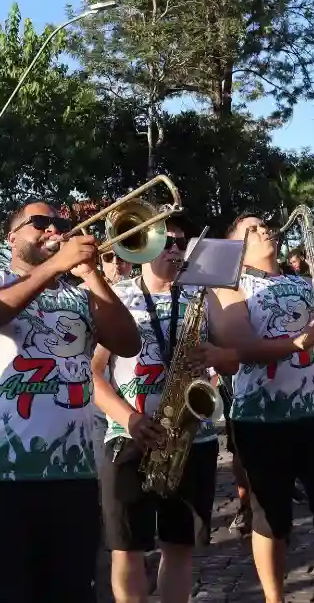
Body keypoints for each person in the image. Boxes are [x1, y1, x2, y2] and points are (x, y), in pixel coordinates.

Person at [0, 199, 140, 603]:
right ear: (13, 236)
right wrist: (53, 268)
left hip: (72, 480)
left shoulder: (79, 295)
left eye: (59, 223)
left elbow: (128, 343)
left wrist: (91, 275)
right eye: (40, 223)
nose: (53, 230)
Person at [206, 214, 314, 603]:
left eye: (263, 225)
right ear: (235, 247)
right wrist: (299, 341)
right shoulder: (228, 286)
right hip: (261, 421)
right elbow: (239, 348)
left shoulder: (303, 282)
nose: (264, 230)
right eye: (251, 229)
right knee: (271, 521)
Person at [95, 218, 238, 603]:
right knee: (127, 549)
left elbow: (232, 363)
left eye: (180, 243)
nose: (176, 249)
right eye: (167, 242)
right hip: (129, 434)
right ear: (143, 247)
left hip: (191, 435)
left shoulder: (203, 296)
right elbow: (92, 374)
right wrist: (130, 418)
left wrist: (219, 355)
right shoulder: (116, 296)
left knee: (180, 546)